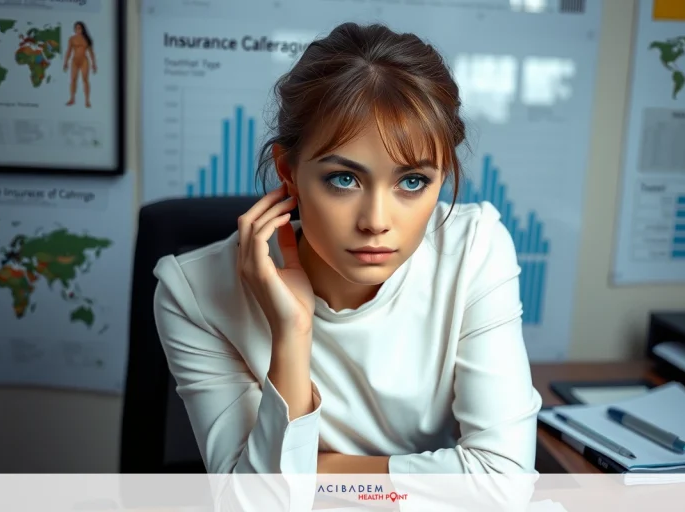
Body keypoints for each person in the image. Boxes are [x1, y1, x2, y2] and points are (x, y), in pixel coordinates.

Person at [153, 22, 542, 481]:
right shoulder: (194, 292)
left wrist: (325, 472)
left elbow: (503, 481)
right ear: (289, 171)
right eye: (344, 179)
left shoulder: (474, 249)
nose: (376, 220)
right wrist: (292, 333)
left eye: (412, 182)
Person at [63, 21, 96, 108]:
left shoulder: (86, 39)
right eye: (76, 28)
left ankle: (87, 100)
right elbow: (69, 51)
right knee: (73, 80)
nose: (78, 30)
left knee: (85, 80)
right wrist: (65, 62)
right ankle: (72, 98)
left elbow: (91, 52)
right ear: (74, 29)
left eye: (80, 28)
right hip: (75, 60)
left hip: (84, 60)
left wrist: (94, 64)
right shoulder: (72, 39)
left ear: (82, 29)